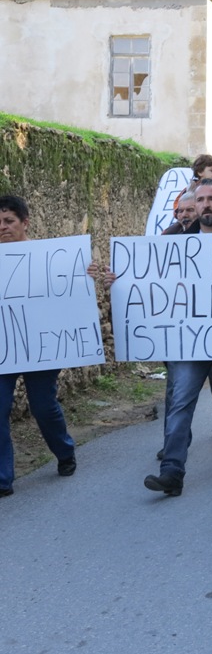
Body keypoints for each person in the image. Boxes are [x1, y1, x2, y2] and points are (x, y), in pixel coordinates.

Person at [143, 179, 212, 496]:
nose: (205, 204)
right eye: (200, 199)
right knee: (180, 403)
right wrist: (118, 279)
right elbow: (150, 281)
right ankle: (172, 472)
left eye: (211, 199)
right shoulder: (174, 245)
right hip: (189, 340)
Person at [0, 195, 78, 497]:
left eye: (9, 221)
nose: (3, 227)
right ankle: (4, 478)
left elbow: (65, 290)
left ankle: (65, 451)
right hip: (4, 350)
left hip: (39, 349)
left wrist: (81, 277)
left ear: (24, 223)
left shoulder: (47, 257)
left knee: (43, 406)